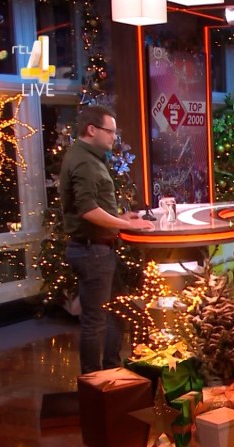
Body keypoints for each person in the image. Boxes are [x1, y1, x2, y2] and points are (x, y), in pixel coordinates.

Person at [59, 105, 153, 374]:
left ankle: (112, 370)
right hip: (92, 252)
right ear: (92, 130)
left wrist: (121, 217)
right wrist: (125, 224)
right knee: (96, 320)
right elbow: (88, 210)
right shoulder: (83, 161)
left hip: (98, 250)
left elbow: (93, 205)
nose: (114, 137)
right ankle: (93, 380)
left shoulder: (89, 157)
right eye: (110, 131)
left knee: (117, 311)